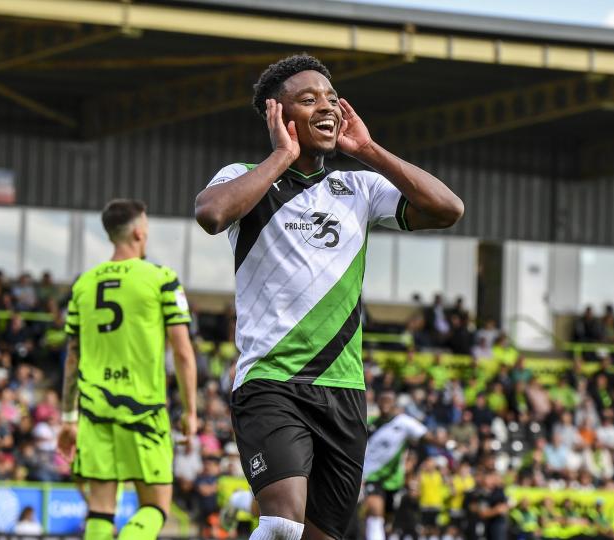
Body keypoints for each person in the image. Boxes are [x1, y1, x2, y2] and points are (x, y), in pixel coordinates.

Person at [194, 54, 463, 540]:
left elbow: (448, 209)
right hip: (272, 381)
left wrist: (369, 150)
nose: (327, 107)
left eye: (332, 98)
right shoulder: (244, 177)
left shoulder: (358, 187)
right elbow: (211, 214)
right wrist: (280, 154)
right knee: (280, 524)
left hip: (344, 391)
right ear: (278, 113)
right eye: (308, 99)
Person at [57, 199, 198, 540]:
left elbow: (72, 357)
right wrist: (190, 411)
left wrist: (67, 418)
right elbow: (182, 352)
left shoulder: (83, 285)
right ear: (138, 232)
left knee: (100, 509)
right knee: (155, 507)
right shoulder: (162, 279)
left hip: (94, 411)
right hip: (144, 410)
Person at [362, 391, 430, 540]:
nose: (385, 403)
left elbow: (425, 435)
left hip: (394, 479)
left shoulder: (403, 423)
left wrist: (444, 442)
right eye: (382, 400)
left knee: (387, 520)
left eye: (389, 400)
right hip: (372, 476)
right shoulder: (369, 423)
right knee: (375, 511)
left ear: (394, 404)